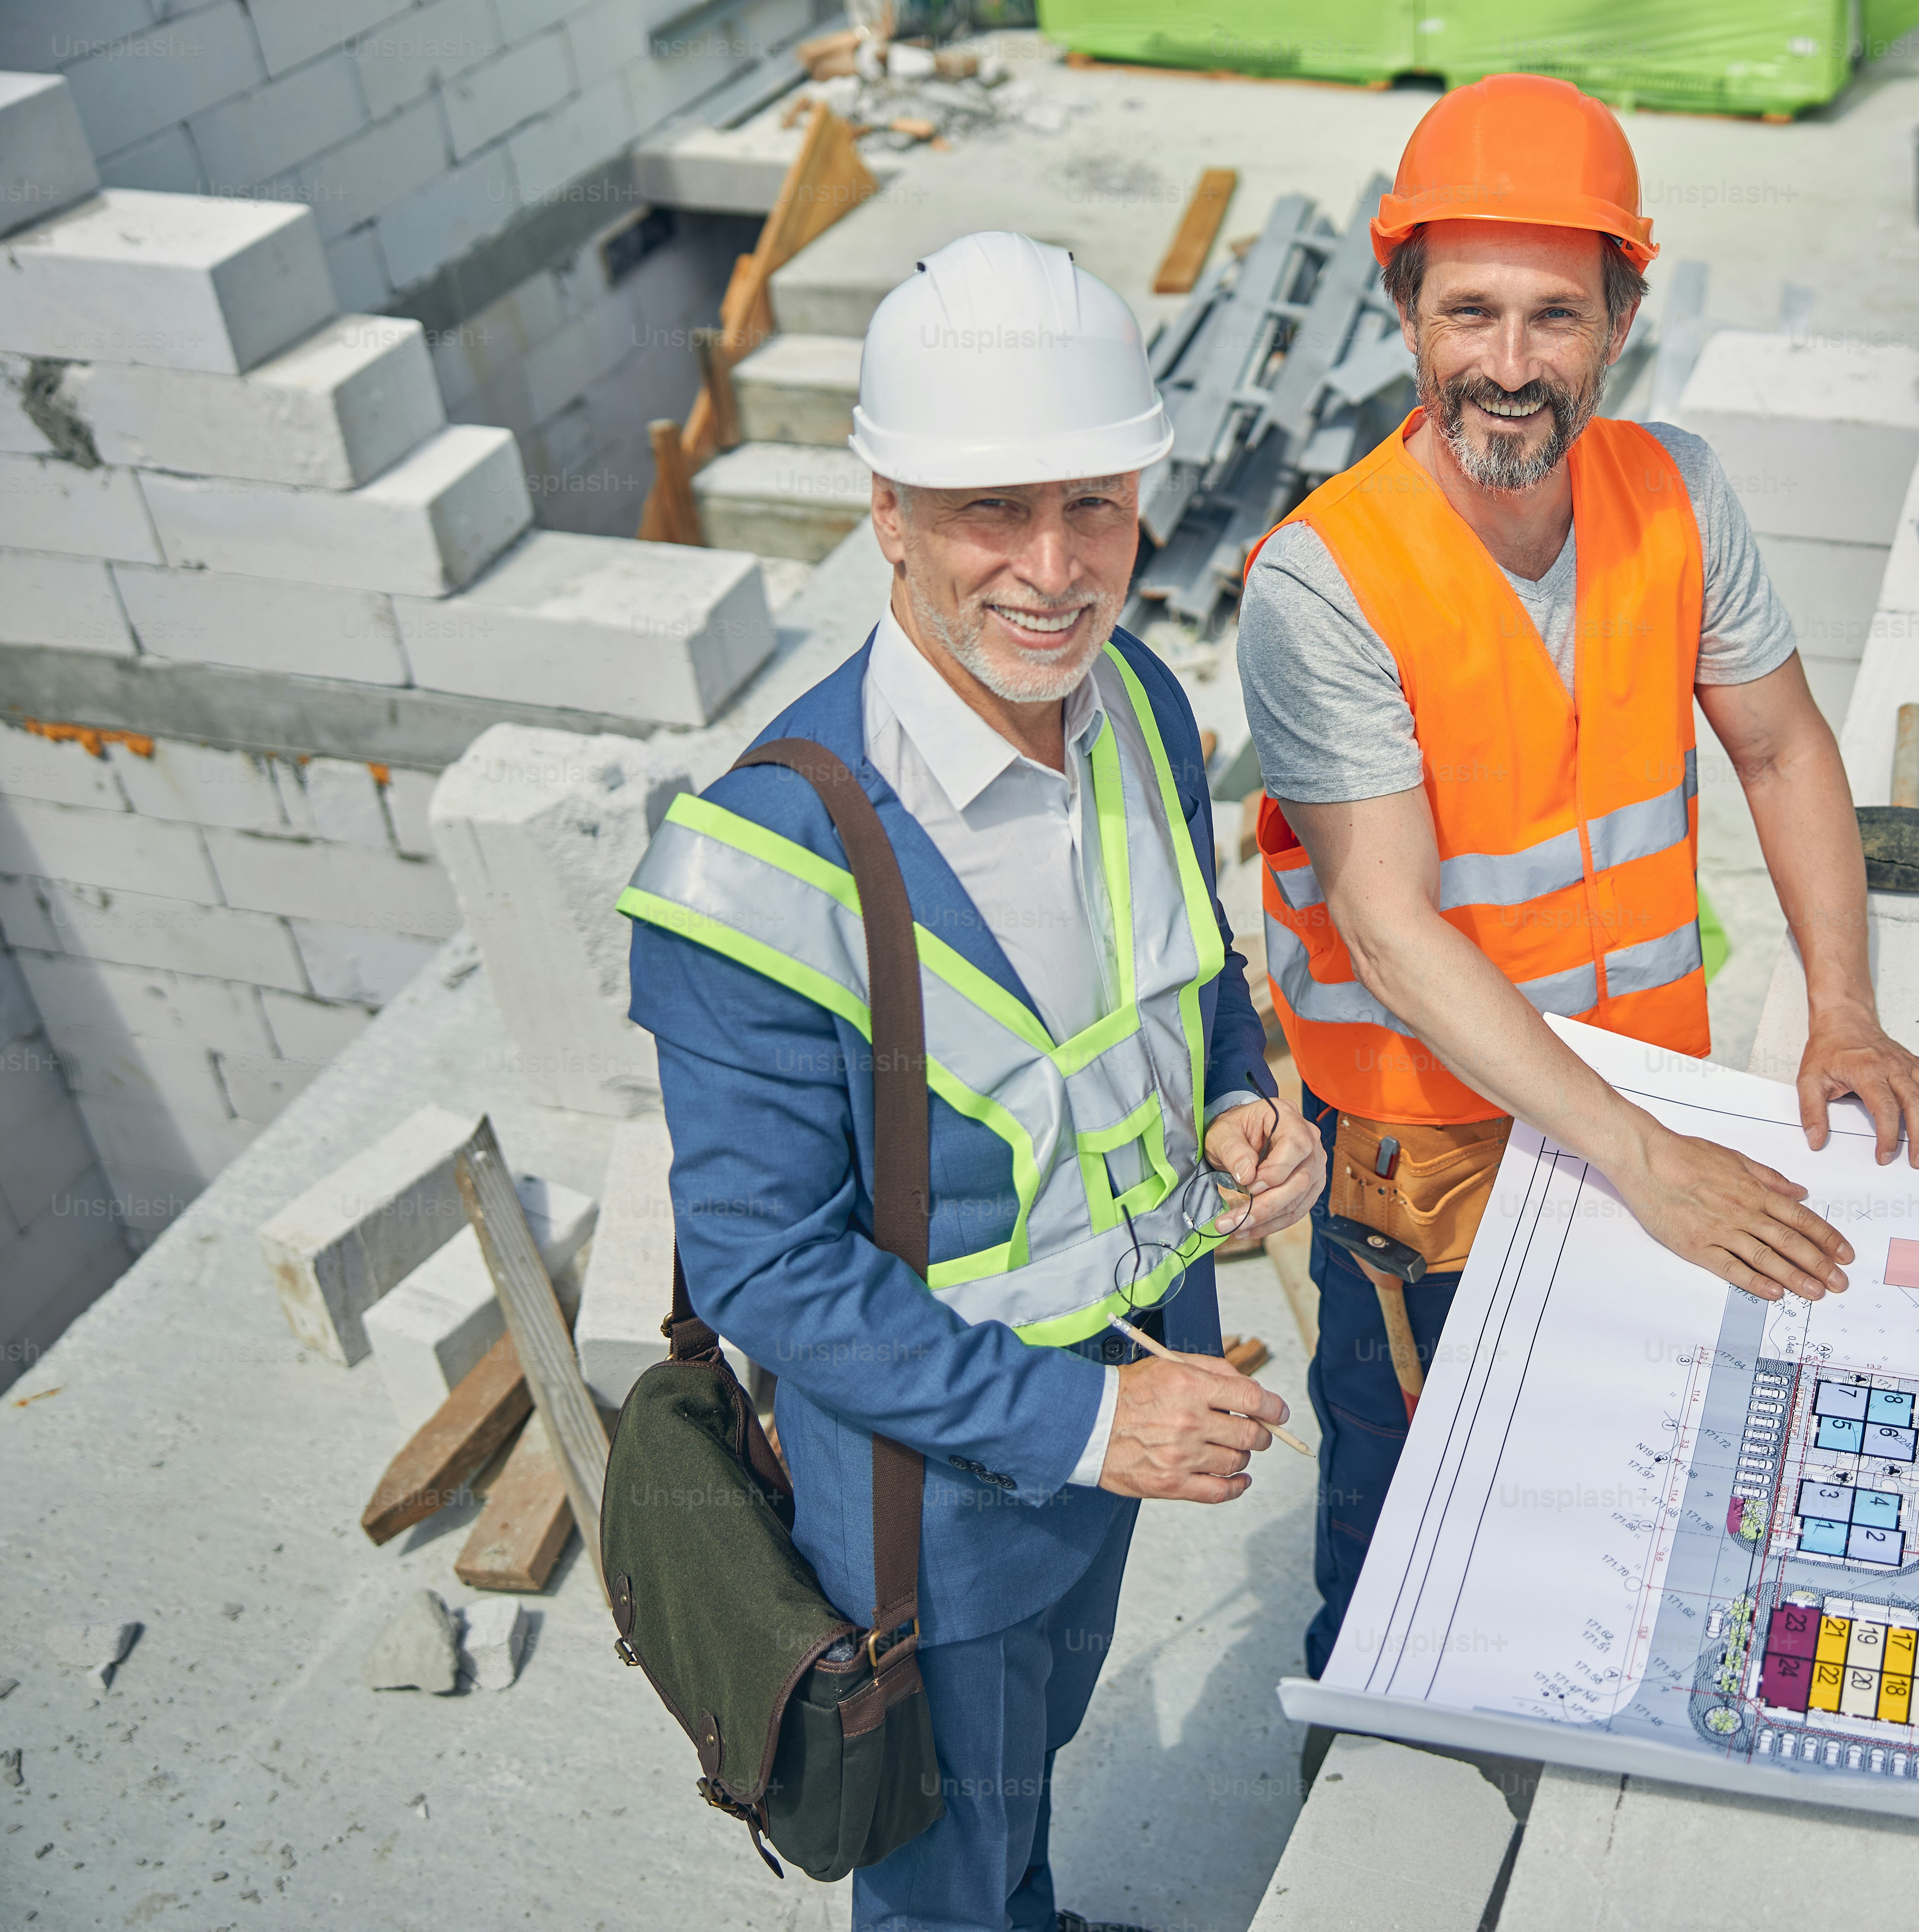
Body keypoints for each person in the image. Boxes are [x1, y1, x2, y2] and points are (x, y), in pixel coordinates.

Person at [622, 230, 1325, 1932]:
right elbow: (764, 1266)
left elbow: (1194, 974)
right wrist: (1095, 1424)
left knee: (1023, 1779)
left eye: (1094, 505)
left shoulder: (1141, 700)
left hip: (1134, 1400)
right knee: (937, 1862)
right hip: (951, 1500)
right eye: (988, 512)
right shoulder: (760, 865)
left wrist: (1237, 1094)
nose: (1054, 568)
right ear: (886, 511)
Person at [1237, 75, 1919, 1677]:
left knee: (1618, 1469)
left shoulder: (1676, 495)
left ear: (1625, 312)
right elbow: (1391, 921)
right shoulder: (1322, 579)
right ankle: (1381, 1751)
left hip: (1646, 1099)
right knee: (1408, 1507)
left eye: (1555, 314)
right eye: (1470, 311)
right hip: (1429, 1161)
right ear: (1406, 311)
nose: (1508, 363)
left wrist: (1844, 1012)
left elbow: (1780, 750)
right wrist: (1649, 1162)